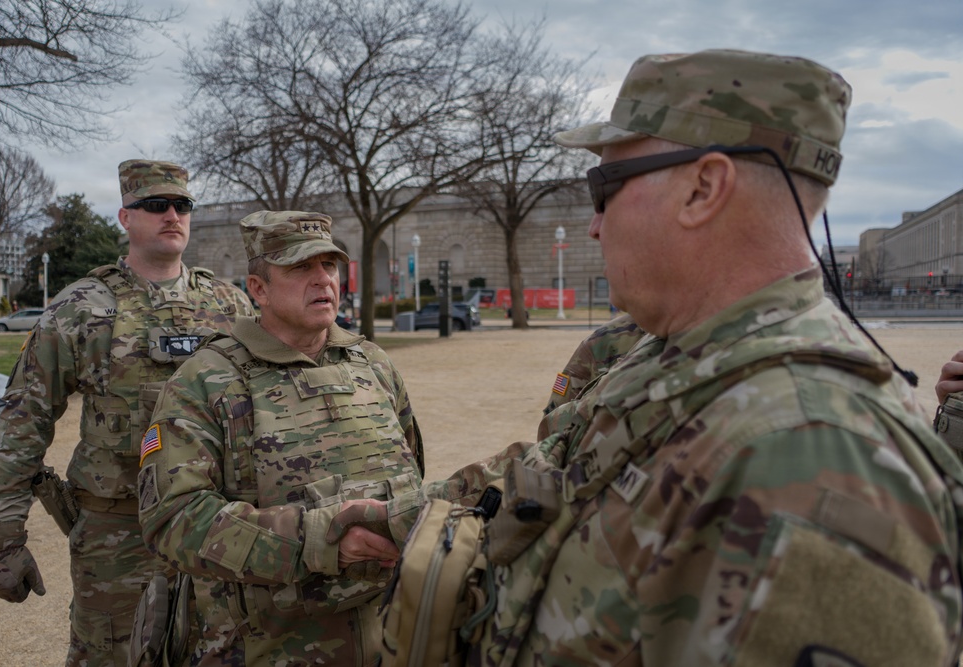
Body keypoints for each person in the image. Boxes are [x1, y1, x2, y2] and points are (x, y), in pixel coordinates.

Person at [363, 49, 963, 666]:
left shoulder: (813, 451)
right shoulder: (686, 362)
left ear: (703, 188)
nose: (595, 226)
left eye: (605, 189)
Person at [0, 159, 254, 667]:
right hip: (119, 536)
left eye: (182, 205)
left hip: (219, 527)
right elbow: (24, 421)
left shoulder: (230, 307)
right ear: (125, 217)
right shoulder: (81, 308)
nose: (172, 215)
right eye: (155, 205)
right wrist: (3, 539)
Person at [137, 210, 424, 665]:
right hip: (265, 647)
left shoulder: (372, 363)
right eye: (300, 267)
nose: (323, 280)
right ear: (259, 289)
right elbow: (173, 520)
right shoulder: (207, 380)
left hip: (390, 637)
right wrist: (318, 539)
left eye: (329, 265)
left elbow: (413, 475)